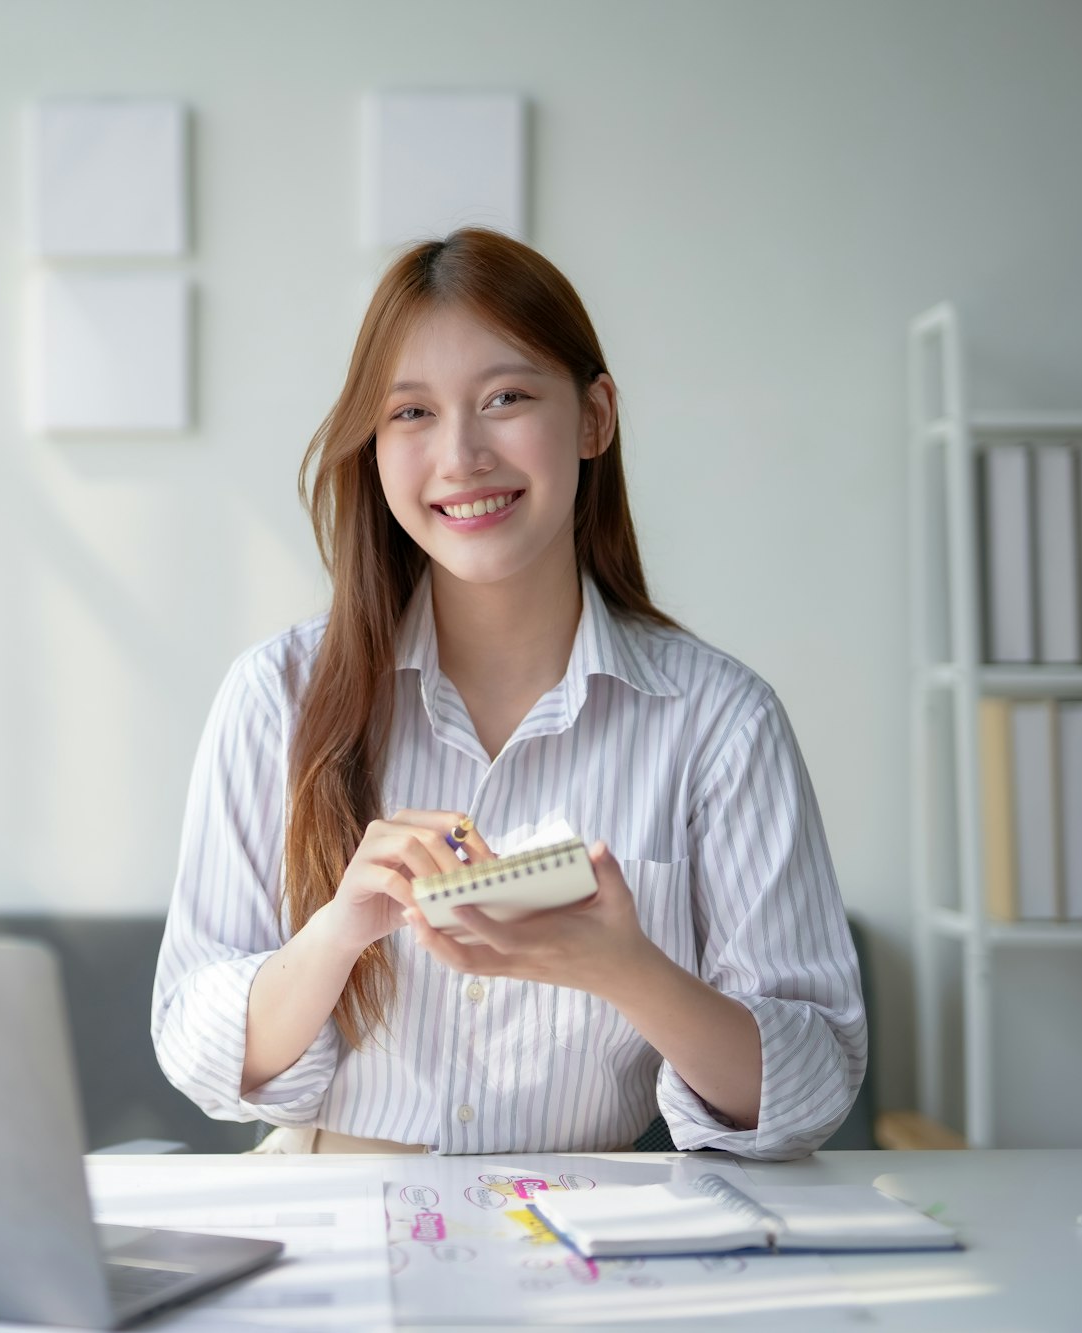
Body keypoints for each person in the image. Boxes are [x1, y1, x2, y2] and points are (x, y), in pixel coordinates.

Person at [151, 228, 865, 1160]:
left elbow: (810, 1092)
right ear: (373, 444)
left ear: (594, 417)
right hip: (336, 1224)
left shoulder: (722, 722)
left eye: (507, 397)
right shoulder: (275, 697)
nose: (461, 455)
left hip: (593, 1245)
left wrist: (629, 969)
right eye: (410, 413)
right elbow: (196, 1049)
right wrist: (335, 935)